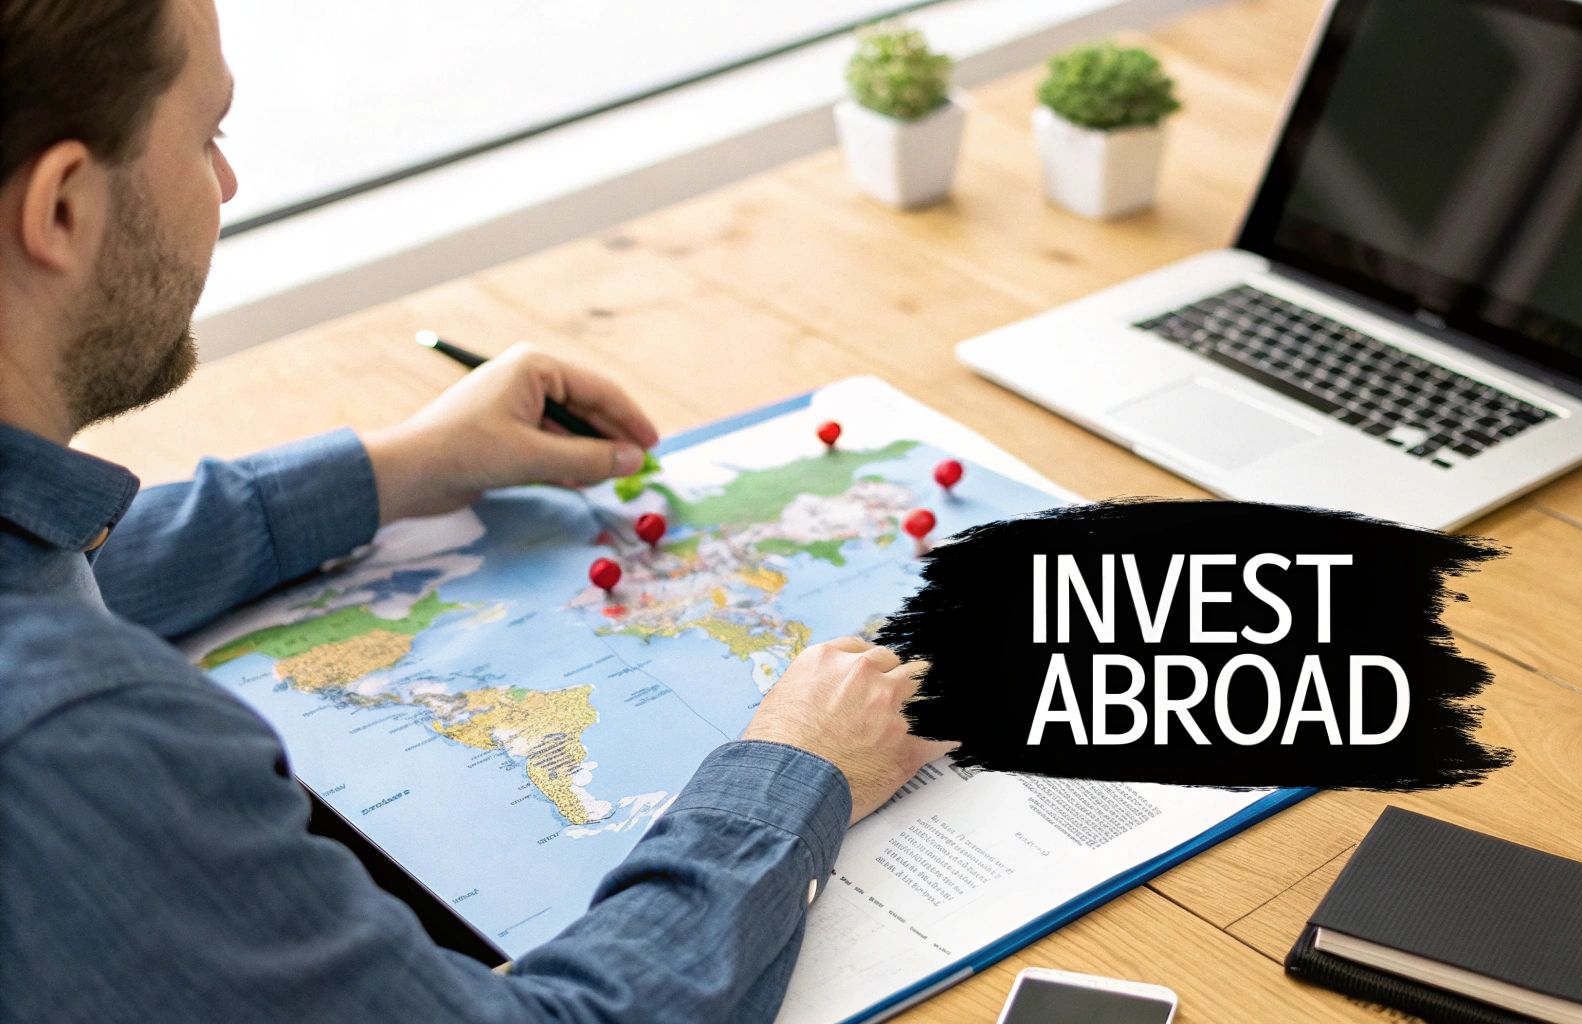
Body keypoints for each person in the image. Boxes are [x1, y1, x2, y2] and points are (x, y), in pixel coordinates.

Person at [0, 0, 951, 1020]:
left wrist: (403, 465)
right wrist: (798, 768)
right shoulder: (73, 743)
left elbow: (46, 561)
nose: (227, 184)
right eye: (207, 136)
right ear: (61, 207)